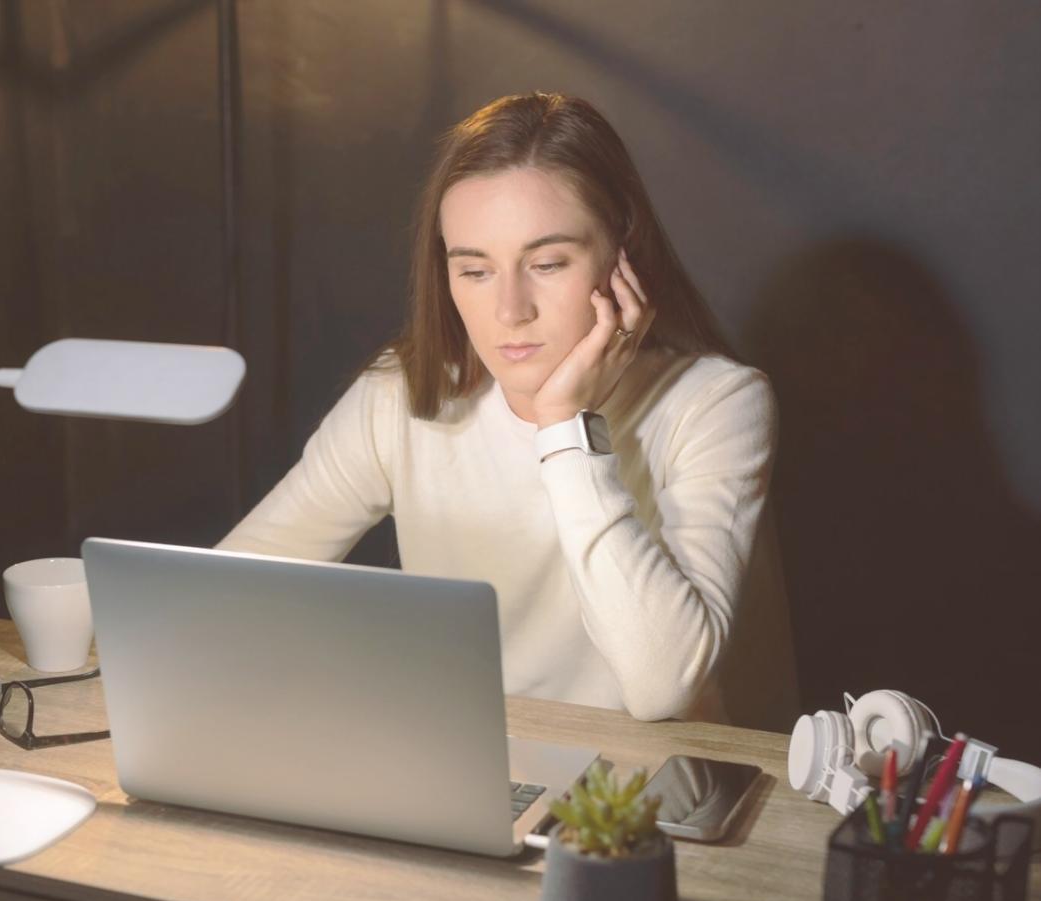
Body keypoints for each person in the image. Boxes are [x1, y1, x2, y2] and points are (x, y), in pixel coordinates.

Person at [218, 92, 799, 729]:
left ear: (622, 249)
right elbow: (224, 593)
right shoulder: (401, 396)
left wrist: (566, 425)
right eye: (474, 271)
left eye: (547, 263)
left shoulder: (717, 403)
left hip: (649, 795)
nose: (509, 310)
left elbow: (662, 688)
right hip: (464, 768)